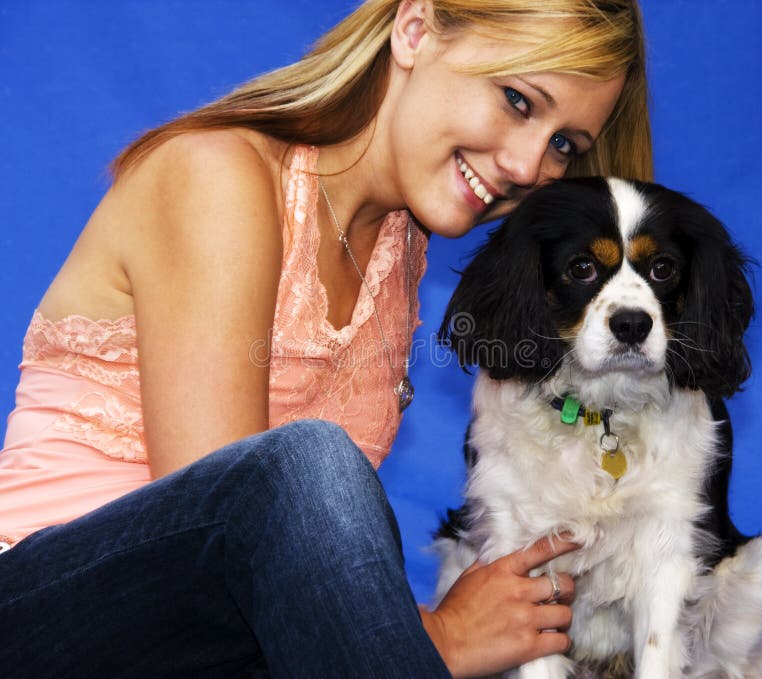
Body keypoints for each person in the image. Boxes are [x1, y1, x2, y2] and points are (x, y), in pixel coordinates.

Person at [0, 0, 652, 676]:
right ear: (415, 28)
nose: (527, 164)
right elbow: (231, 548)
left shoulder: (399, 253)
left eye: (564, 145)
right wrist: (439, 636)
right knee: (305, 465)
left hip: (183, 654)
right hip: (37, 621)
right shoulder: (216, 177)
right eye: (517, 100)